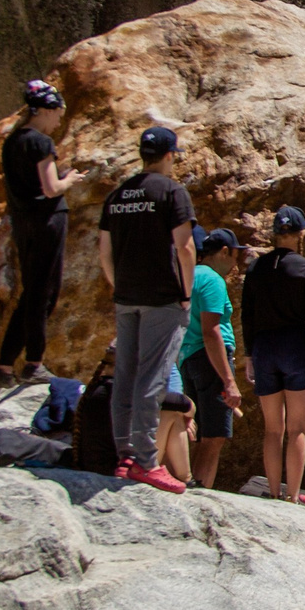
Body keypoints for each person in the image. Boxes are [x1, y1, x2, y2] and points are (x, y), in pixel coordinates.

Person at [96, 125, 195, 491]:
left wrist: (119, 286)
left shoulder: (117, 195)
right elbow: (185, 247)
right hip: (162, 298)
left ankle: (124, 456)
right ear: (169, 155)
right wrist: (185, 293)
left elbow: (104, 251)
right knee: (152, 377)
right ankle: (145, 460)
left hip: (126, 297)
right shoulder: (171, 191)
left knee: (125, 375)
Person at [240, 206, 305, 503]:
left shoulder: (256, 268)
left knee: (272, 429)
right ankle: (292, 496)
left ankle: (273, 491)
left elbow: (247, 315)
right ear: (300, 233)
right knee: (297, 428)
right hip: (295, 346)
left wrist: (248, 355)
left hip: (264, 347)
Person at [0, 81, 69, 384]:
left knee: (32, 292)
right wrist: (70, 180)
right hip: (47, 220)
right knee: (44, 293)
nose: (58, 121)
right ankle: (34, 363)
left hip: (23, 222)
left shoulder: (12, 141)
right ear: (47, 110)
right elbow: (51, 188)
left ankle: (4, 366)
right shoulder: (40, 142)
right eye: (58, 114)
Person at [176, 226, 243, 488]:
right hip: (210, 360)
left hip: (187, 358)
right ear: (224, 251)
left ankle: (187, 483)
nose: (236, 263)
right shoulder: (212, 279)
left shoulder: (188, 276)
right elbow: (211, 331)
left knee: (199, 432)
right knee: (214, 436)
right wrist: (229, 381)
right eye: (235, 255)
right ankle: (201, 492)